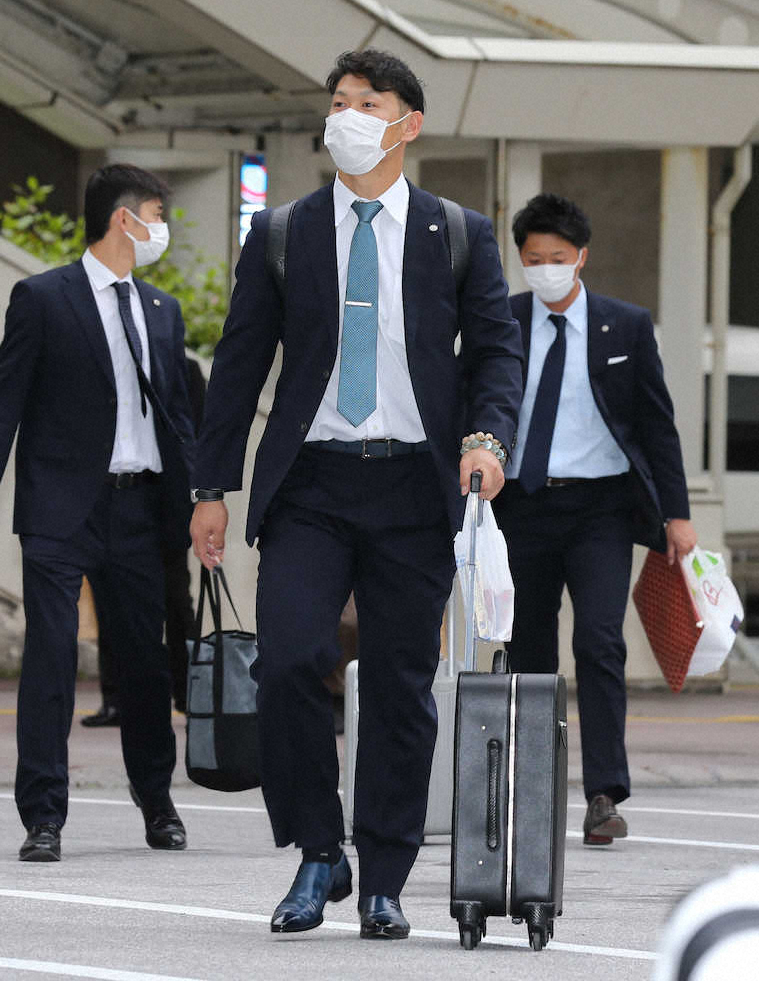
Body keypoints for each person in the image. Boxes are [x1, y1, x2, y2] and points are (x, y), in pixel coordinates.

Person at [190, 48, 523, 939]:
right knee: (293, 659)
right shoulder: (284, 232)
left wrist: (487, 440)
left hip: (416, 486)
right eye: (336, 101)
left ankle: (383, 875)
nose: (343, 115)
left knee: (403, 688)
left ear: (406, 123)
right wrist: (209, 485)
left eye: (364, 102)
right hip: (312, 482)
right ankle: (316, 852)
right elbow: (239, 366)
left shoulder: (457, 234)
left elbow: (495, 352)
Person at [0, 162, 196, 861]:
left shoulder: (161, 311)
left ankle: (158, 804)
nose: (160, 231)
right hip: (60, 510)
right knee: (52, 661)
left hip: (140, 510)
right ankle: (43, 817)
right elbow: (7, 404)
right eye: (156, 215)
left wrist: (202, 501)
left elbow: (177, 418)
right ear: (124, 219)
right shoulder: (42, 298)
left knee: (144, 663)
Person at [492, 192, 697, 846]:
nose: (545, 268)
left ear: (581, 257)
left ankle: (603, 792)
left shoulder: (624, 325)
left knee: (600, 643)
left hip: (601, 508)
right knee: (527, 649)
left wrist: (676, 515)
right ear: (519, 259)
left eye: (557, 257)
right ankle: (531, 788)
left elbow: (655, 427)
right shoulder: (501, 322)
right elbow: (473, 410)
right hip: (521, 506)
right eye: (532, 258)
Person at [82, 355, 206, 725]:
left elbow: (196, 434)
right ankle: (115, 700)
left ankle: (189, 695)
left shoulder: (184, 369)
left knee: (176, 603)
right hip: (105, 502)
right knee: (107, 601)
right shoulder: (102, 364)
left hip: (165, 507)